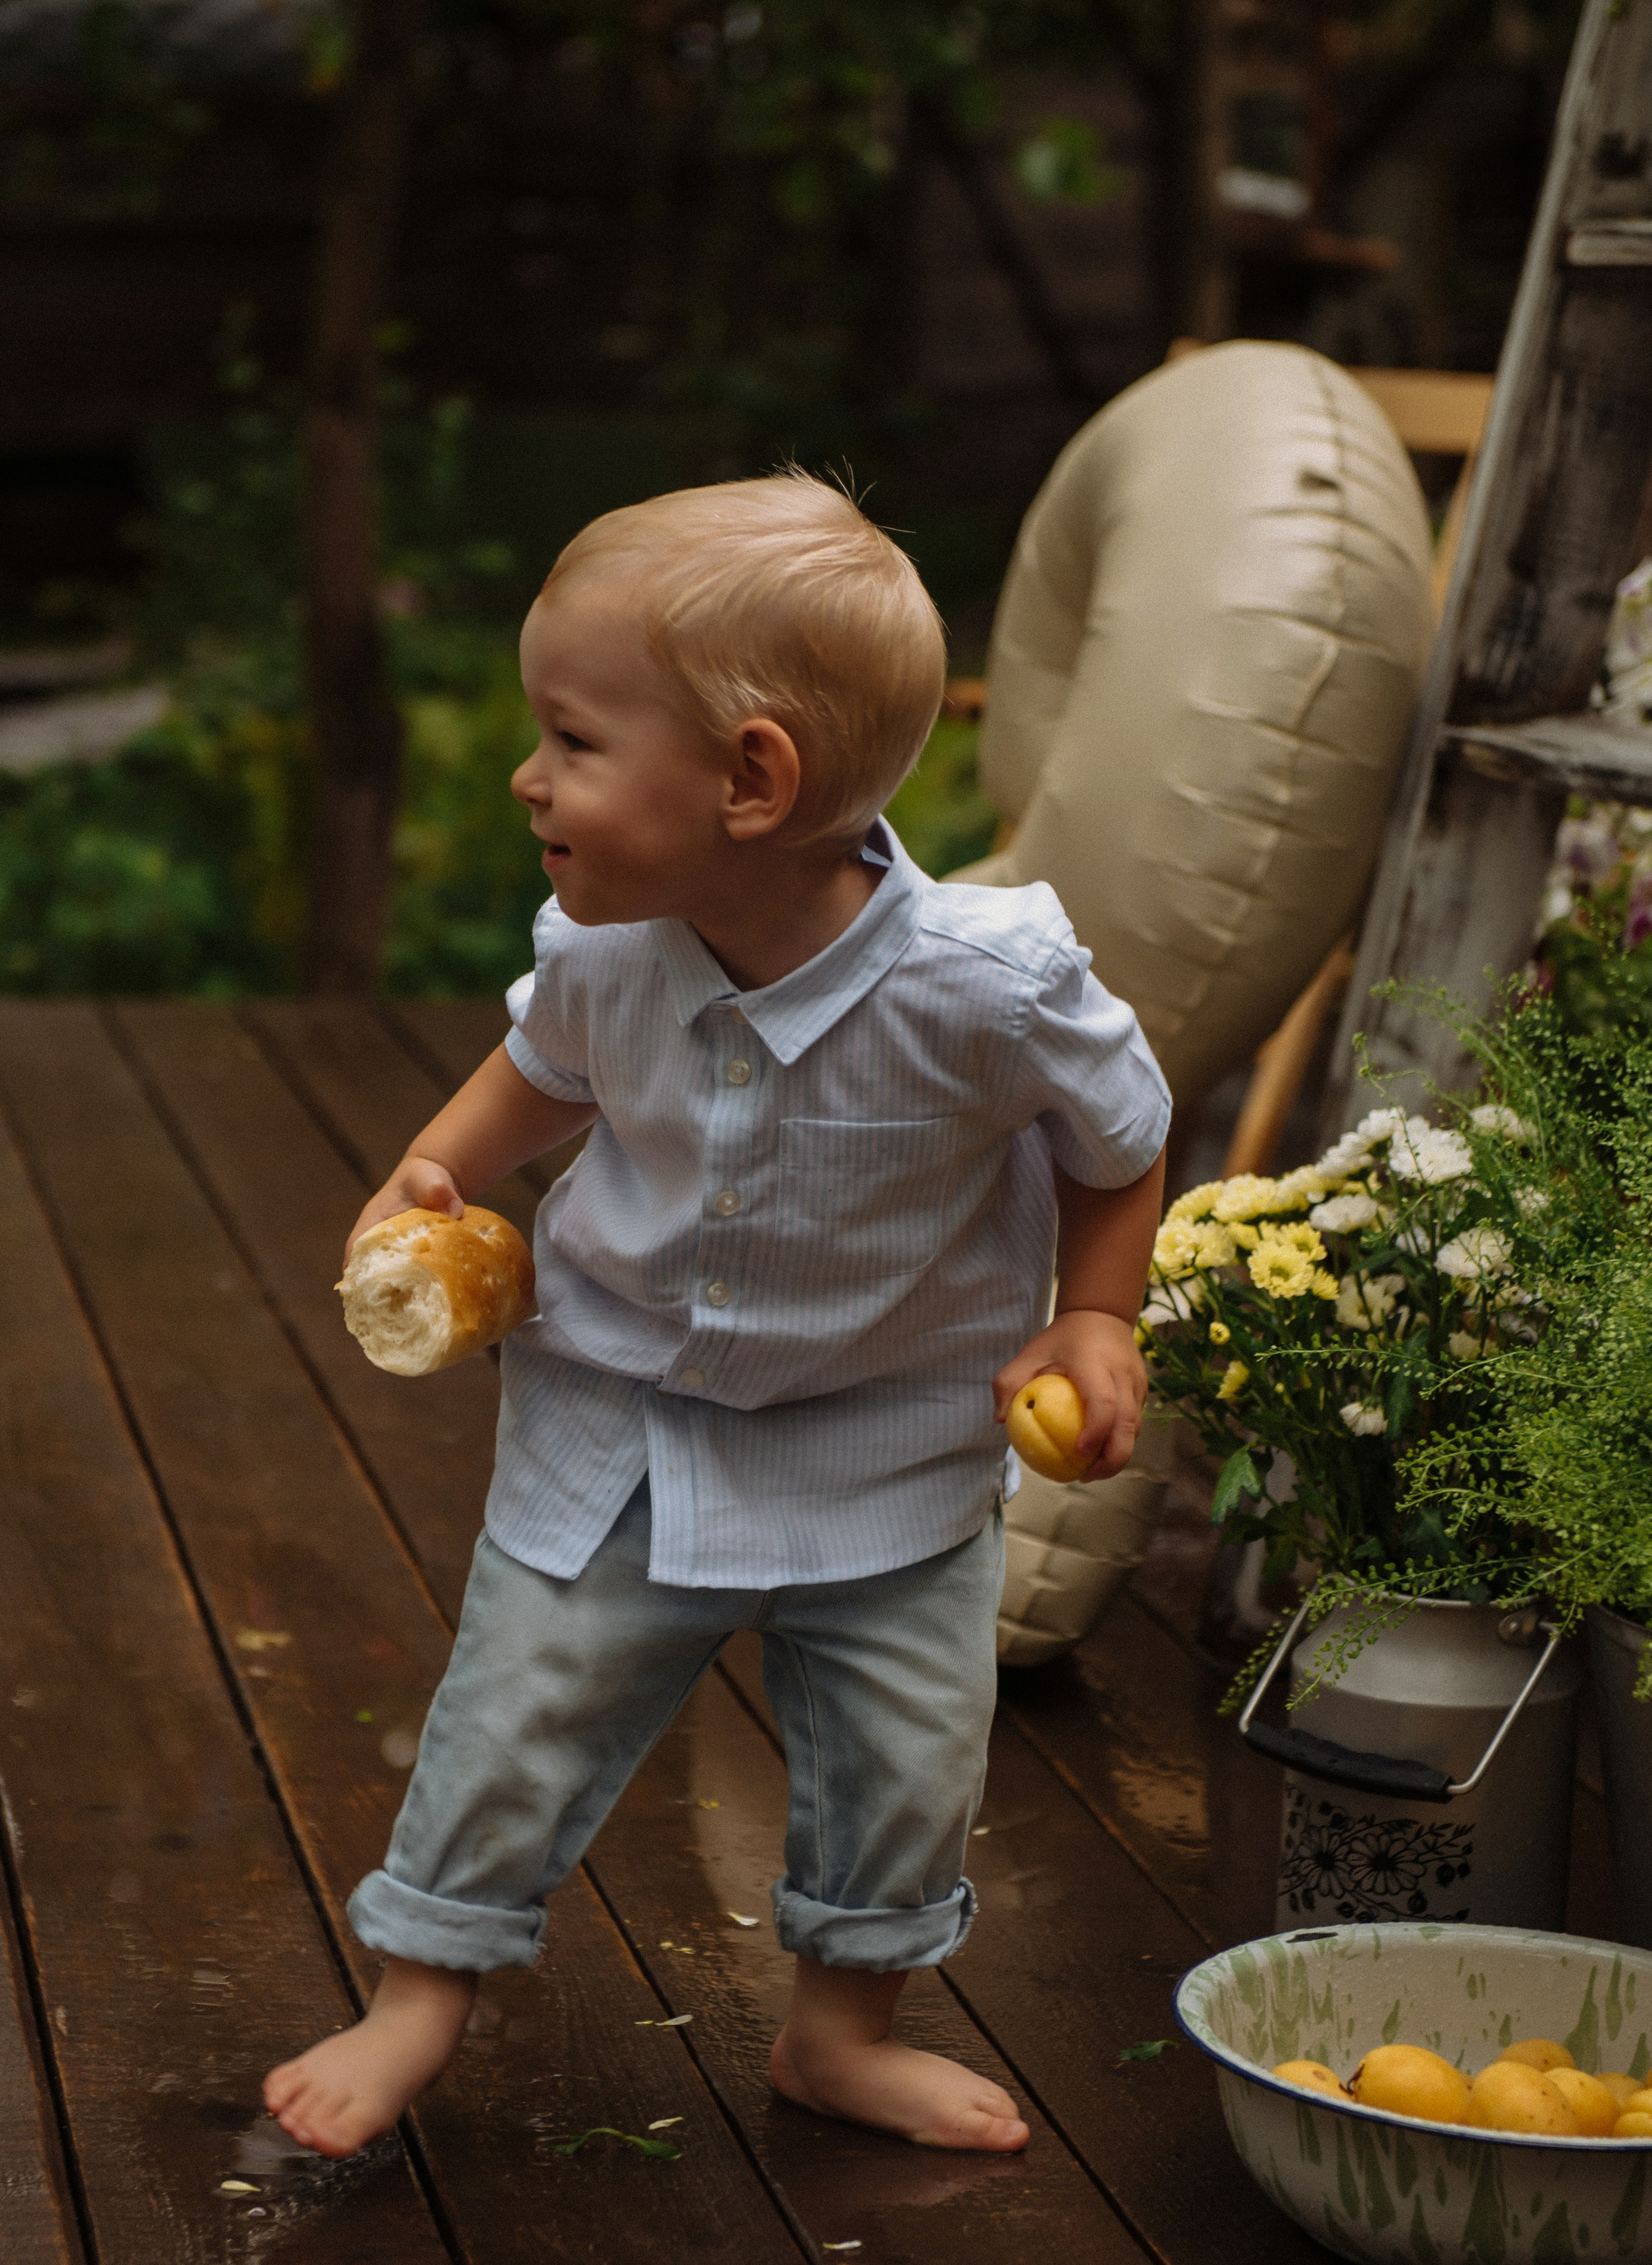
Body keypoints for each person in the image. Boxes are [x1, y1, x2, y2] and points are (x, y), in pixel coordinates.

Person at [264, 471, 1169, 2162]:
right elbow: (534, 1079)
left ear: (752, 779)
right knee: (520, 1700)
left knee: (906, 1755)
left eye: (573, 739)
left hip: (887, 1445)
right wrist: (429, 1176)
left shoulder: (989, 987)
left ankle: (841, 2031)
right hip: (625, 1421)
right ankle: (418, 1992)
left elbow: (1124, 1141)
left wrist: (1095, 1315)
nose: (531, 777)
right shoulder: (609, 953)